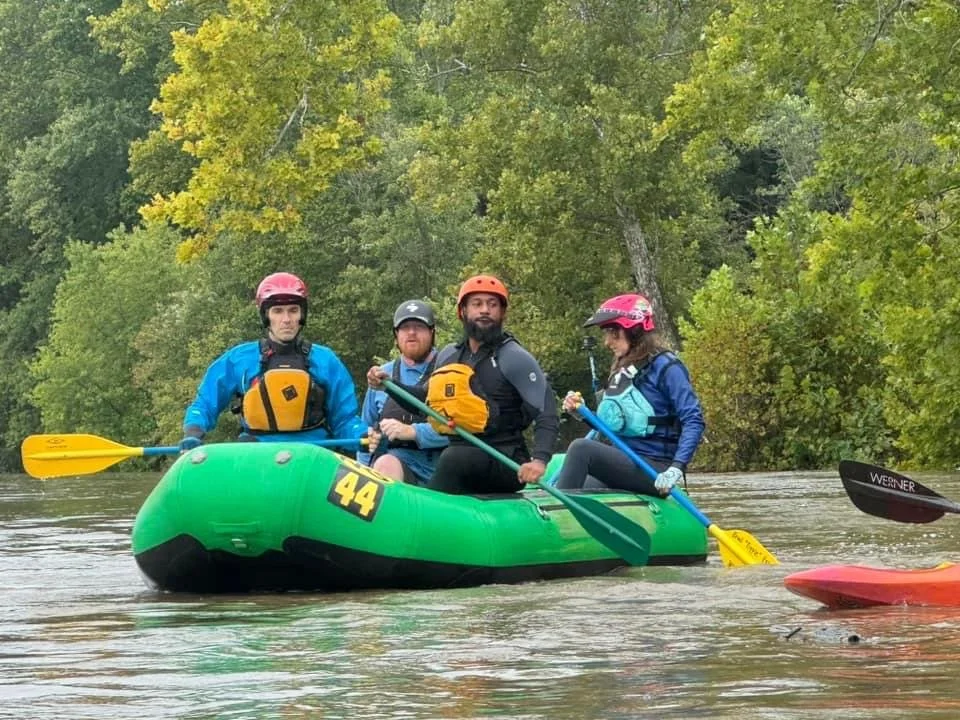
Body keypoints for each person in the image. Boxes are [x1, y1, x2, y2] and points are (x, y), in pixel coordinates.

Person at [370, 274, 558, 494]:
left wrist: (539, 461)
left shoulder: (514, 357)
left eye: (492, 304)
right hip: (460, 454)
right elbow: (425, 402)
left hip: (505, 460)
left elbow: (546, 410)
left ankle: (430, 514)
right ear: (463, 312)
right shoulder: (449, 355)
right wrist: (390, 385)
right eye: (477, 304)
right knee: (453, 455)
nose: (485, 310)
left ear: (502, 313)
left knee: (455, 457)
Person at [179, 272, 367, 451]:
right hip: (258, 454)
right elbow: (204, 404)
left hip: (314, 453)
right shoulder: (240, 359)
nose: (286, 319)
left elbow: (345, 420)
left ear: (302, 315)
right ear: (266, 316)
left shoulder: (325, 361)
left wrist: (365, 436)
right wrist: (193, 433)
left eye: (293, 311)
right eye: (278, 311)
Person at [553, 293, 705, 496]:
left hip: (656, 469)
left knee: (581, 449)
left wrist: (676, 468)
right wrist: (582, 413)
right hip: (627, 463)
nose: (607, 342)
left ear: (634, 330)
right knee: (573, 477)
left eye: (612, 332)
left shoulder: (667, 366)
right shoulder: (622, 368)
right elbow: (613, 426)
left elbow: (693, 420)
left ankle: (563, 519)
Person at [358, 300, 449, 485]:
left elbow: (460, 431)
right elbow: (364, 429)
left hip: (442, 472)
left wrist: (413, 432)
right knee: (385, 463)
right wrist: (367, 442)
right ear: (396, 335)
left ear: (432, 333)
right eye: (405, 327)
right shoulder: (381, 376)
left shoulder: (450, 371)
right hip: (395, 469)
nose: (412, 333)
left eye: (419, 327)